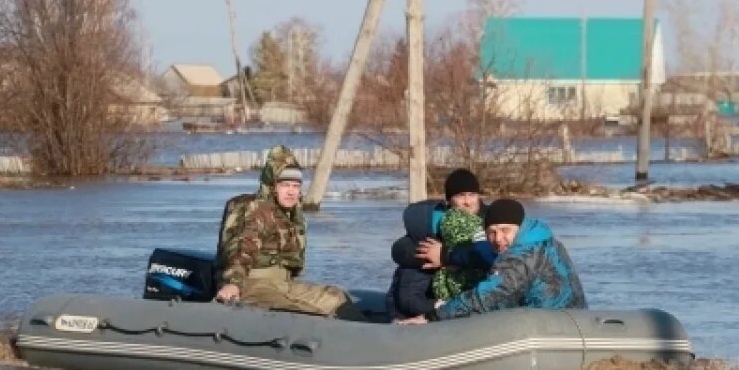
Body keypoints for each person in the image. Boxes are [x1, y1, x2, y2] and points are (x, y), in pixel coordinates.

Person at [215, 145, 363, 320]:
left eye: (296, 185)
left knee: (337, 297)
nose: (291, 191)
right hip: (252, 284)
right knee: (302, 311)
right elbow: (242, 249)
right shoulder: (257, 210)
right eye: (285, 185)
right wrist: (233, 284)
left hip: (282, 283)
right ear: (272, 186)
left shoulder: (291, 214)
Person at [398, 198, 586, 323]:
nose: (497, 238)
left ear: (518, 228)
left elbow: (486, 297)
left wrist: (432, 316)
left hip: (551, 327)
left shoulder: (520, 258)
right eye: (491, 232)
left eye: (505, 230)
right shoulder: (543, 239)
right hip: (573, 319)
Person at [385, 168, 494, 320]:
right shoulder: (431, 230)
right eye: (461, 196)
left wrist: (446, 256)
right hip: (430, 304)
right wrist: (434, 306)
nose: (468, 202)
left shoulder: (493, 223)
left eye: (472, 195)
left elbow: (501, 253)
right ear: (449, 200)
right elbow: (402, 254)